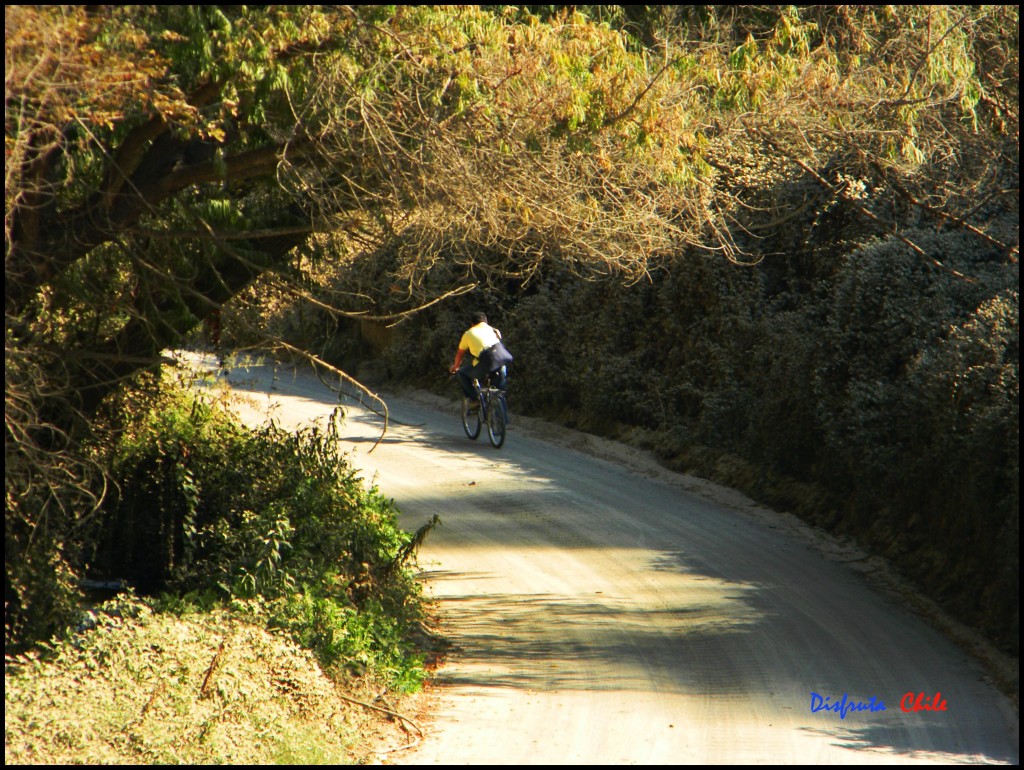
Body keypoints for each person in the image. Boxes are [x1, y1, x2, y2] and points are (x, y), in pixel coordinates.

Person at [449, 312, 513, 408]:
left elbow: (460, 354)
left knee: (461, 373)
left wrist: (456, 366)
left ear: (472, 323)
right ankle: (500, 409)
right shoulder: (494, 330)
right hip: (501, 361)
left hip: (484, 364)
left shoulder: (469, 333)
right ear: (486, 322)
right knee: (498, 390)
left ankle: (475, 399)